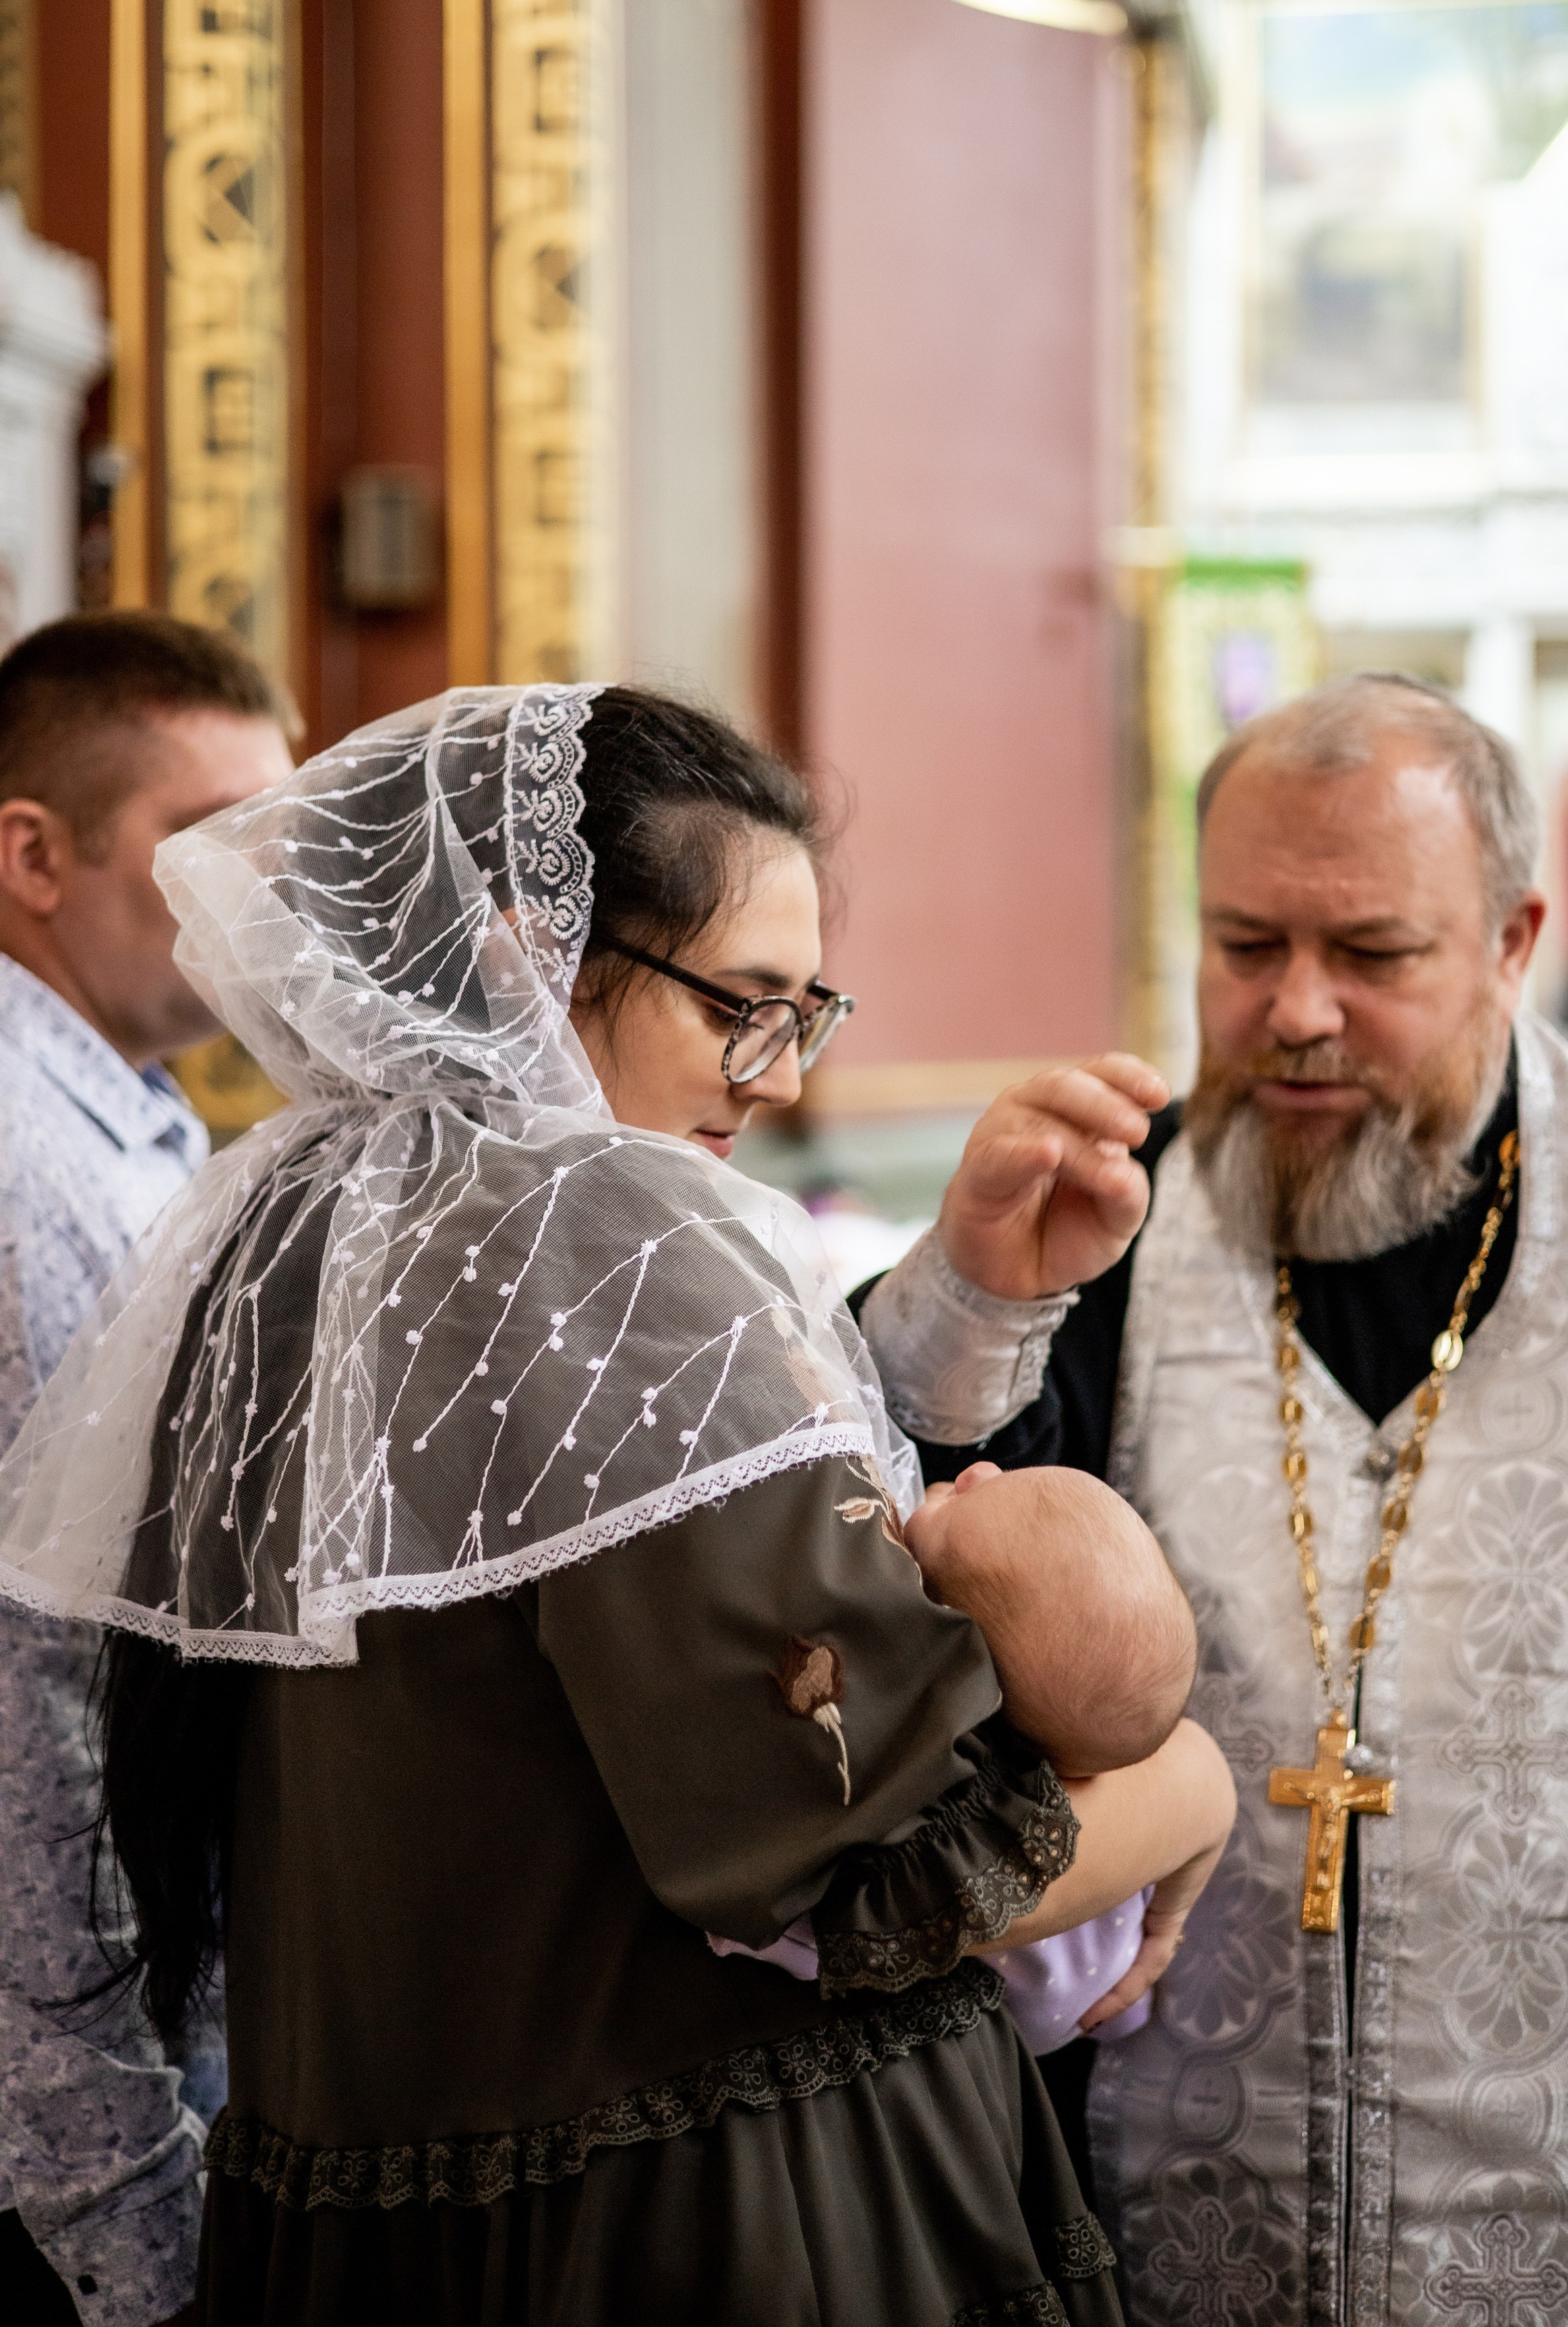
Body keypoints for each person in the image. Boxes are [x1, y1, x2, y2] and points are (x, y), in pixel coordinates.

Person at [0, 682, 1227, 2327]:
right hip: (707, 2212)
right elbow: (872, 1874)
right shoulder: (611, 1233)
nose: (772, 1077)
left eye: (805, 1013)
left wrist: (962, 1307)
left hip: (394, 2201)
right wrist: (1192, 1782)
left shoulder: (292, 1221)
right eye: (740, 1007)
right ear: (526, 958)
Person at [857, 671, 1568, 2324]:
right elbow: (881, 1584)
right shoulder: (1089, 1219)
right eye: (1243, 944)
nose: (1296, 1010)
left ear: (1513, 938)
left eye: (1371, 953)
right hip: (1148, 2166)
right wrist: (968, 1300)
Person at [0, 617, 295, 2327]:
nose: (270, 885)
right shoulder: (19, 1170)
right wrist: (129, 2212)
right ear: (37, 856)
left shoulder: (125, 1107)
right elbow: (33, 1704)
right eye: (213, 834)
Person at [903, 1463, 1236, 2059]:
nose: (979, 1472)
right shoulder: (1110, 1806)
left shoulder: (943, 1819)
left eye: (953, 1519)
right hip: (1086, 2003)